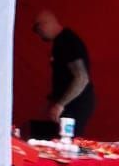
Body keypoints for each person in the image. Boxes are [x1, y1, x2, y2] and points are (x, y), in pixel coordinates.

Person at [32, 9, 96, 137]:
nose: (40, 35)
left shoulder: (67, 42)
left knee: (64, 141)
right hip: (69, 104)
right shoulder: (60, 42)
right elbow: (64, 77)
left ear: (45, 24)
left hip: (75, 105)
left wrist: (60, 104)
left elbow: (81, 78)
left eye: (38, 30)